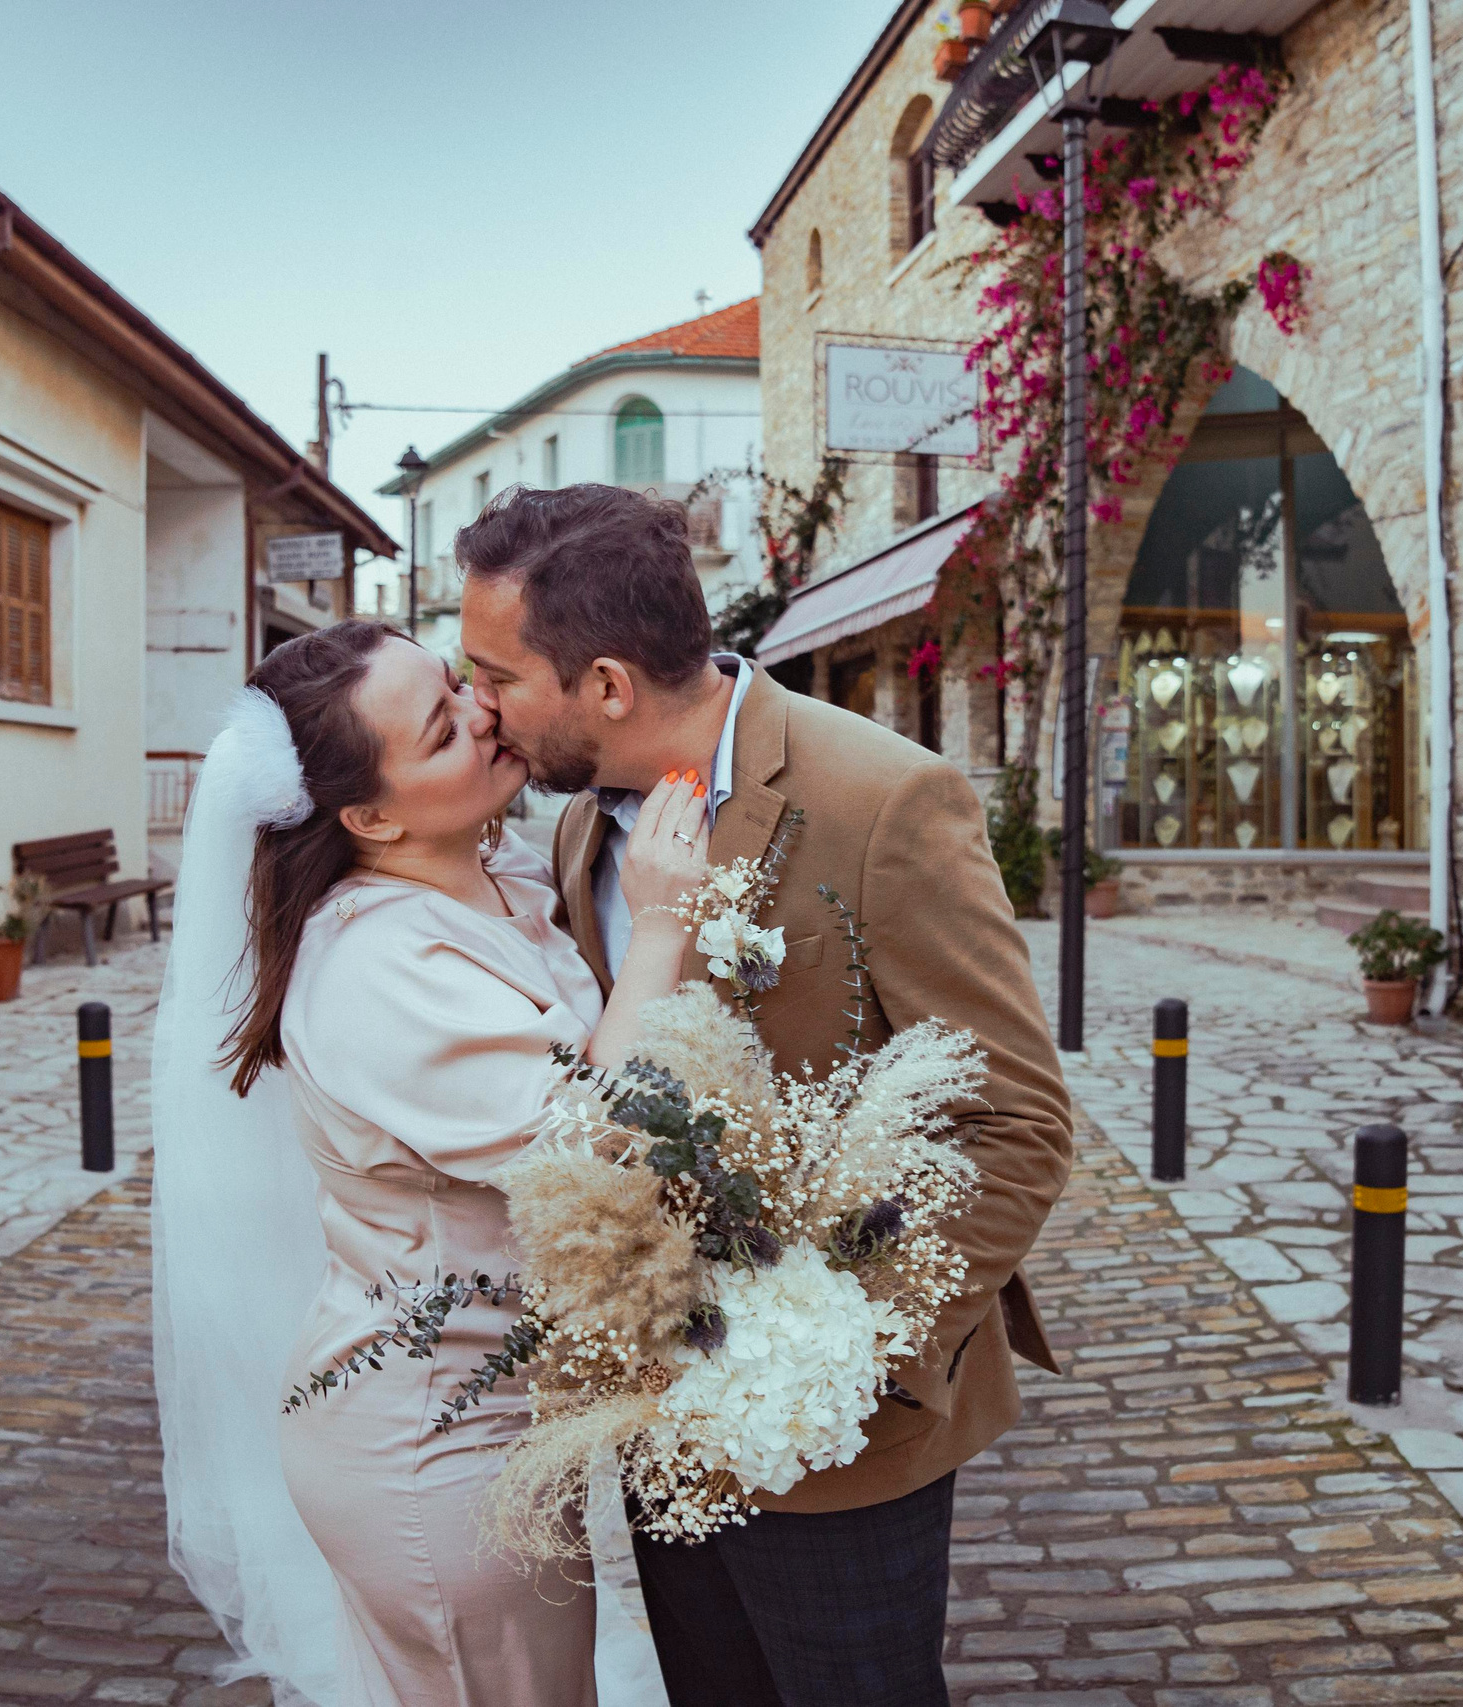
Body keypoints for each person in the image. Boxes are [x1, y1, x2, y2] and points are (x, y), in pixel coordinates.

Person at [458, 483, 1075, 1707]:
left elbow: (1015, 1122)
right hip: (659, 1416)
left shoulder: (881, 800)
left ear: (609, 688)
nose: (479, 709)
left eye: (497, 676)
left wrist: (837, 1357)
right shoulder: (586, 826)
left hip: (839, 1426)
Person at [149, 620, 699, 1707]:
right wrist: (665, 929)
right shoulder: (373, 966)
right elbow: (599, 1138)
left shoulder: (492, 877)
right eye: (444, 728)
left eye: (463, 687)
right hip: (430, 1435)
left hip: (500, 1408)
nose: (485, 716)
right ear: (370, 815)